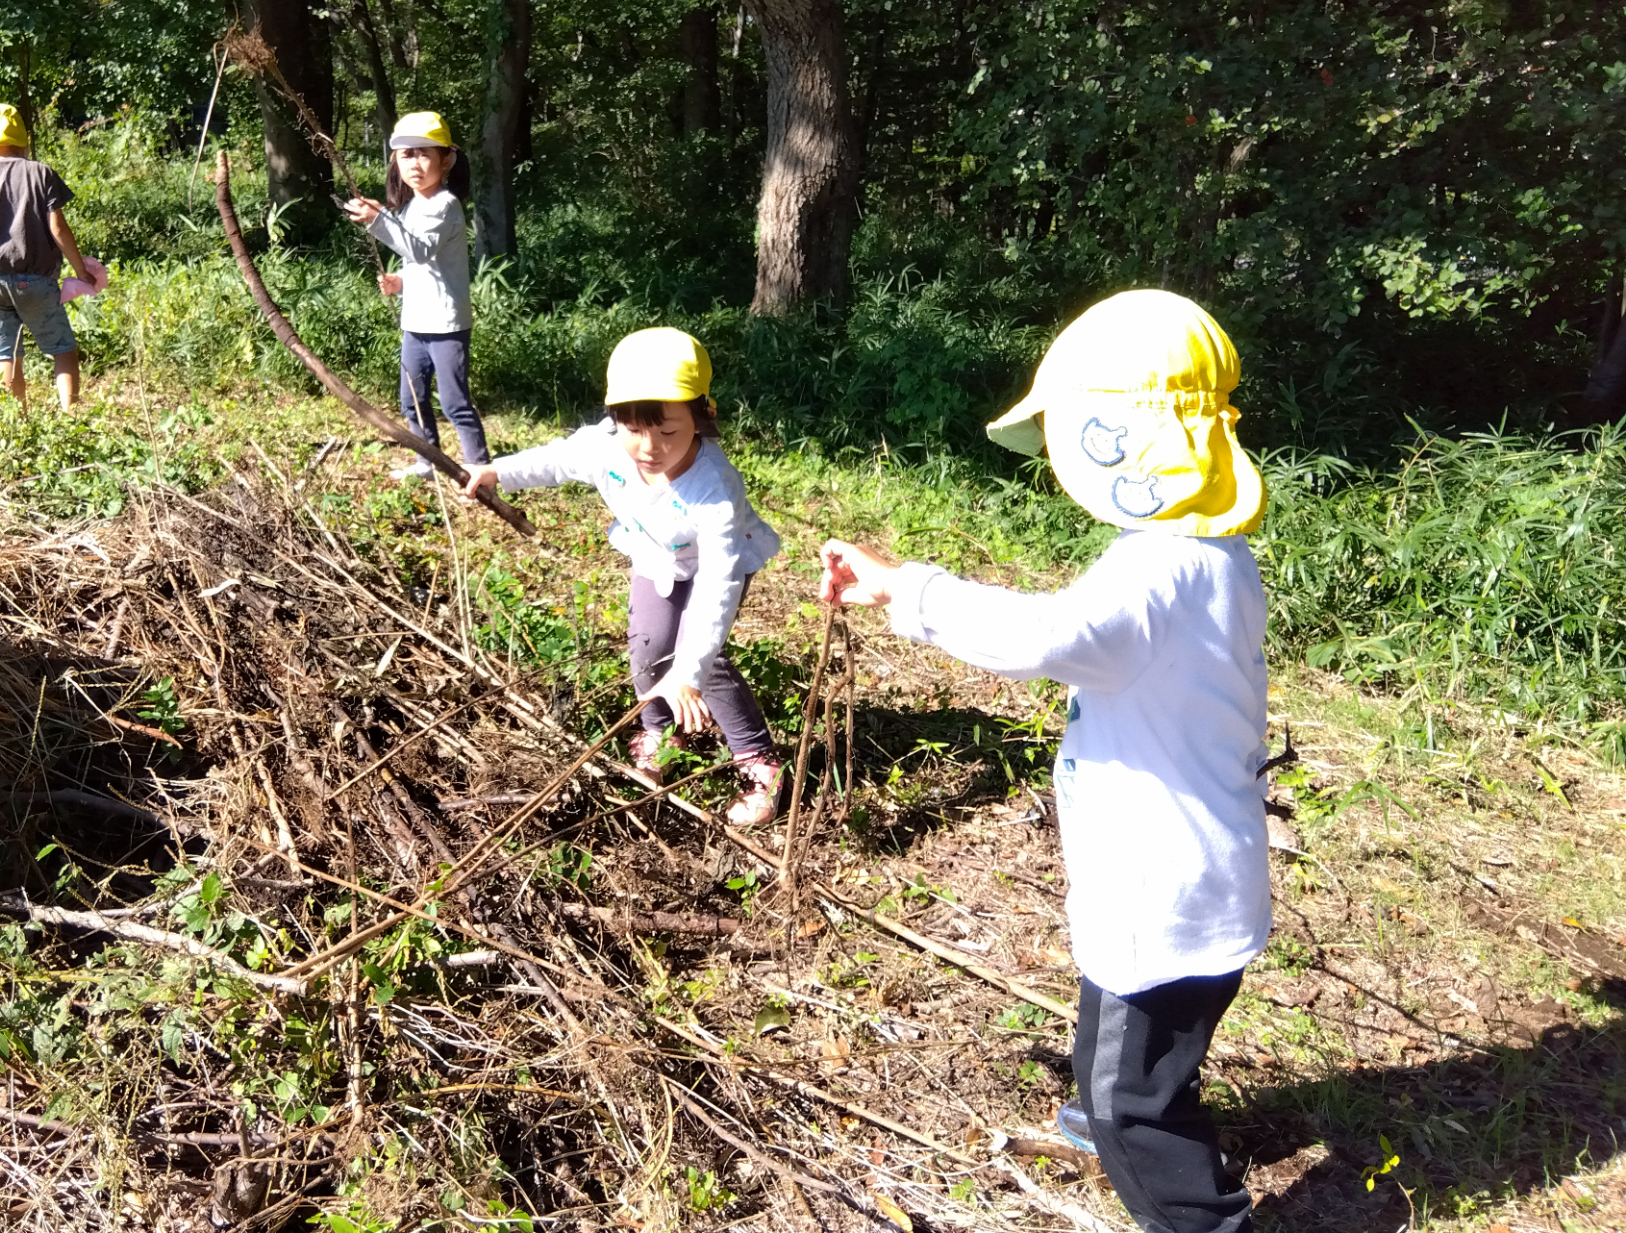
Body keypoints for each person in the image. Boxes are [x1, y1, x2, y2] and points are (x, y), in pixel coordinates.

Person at [819, 289, 1270, 1233]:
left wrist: (909, 589)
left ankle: (1190, 1205)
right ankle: (1109, 1103)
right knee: (1125, 1026)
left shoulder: (1154, 572)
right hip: (1195, 871)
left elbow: (1051, 637)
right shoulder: (1213, 555)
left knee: (1132, 1098)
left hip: (1163, 888)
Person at [462, 328, 786, 824]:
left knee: (699, 659)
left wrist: (689, 674)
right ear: (616, 420)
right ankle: (658, 731)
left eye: (669, 432)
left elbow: (718, 583)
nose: (650, 447)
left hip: (712, 570)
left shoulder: (714, 488)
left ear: (701, 417)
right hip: (656, 559)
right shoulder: (607, 447)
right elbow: (555, 460)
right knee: (646, 645)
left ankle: (757, 759)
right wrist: (496, 470)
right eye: (634, 429)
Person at [342, 112, 489, 478]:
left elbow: (420, 249)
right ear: (396, 161)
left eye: (425, 154)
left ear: (446, 159)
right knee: (412, 400)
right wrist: (400, 281)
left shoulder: (445, 205)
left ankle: (480, 470)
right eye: (406, 155)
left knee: (455, 403)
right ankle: (427, 461)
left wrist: (377, 220)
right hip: (415, 324)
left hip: (446, 325)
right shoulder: (411, 206)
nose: (415, 164)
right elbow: (423, 265)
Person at [0, 102, 95, 410]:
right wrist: (81, 272)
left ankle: (17, 419)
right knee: (63, 349)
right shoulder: (41, 173)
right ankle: (72, 414)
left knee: (6, 354)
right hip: (37, 282)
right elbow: (58, 228)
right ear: (22, 141)